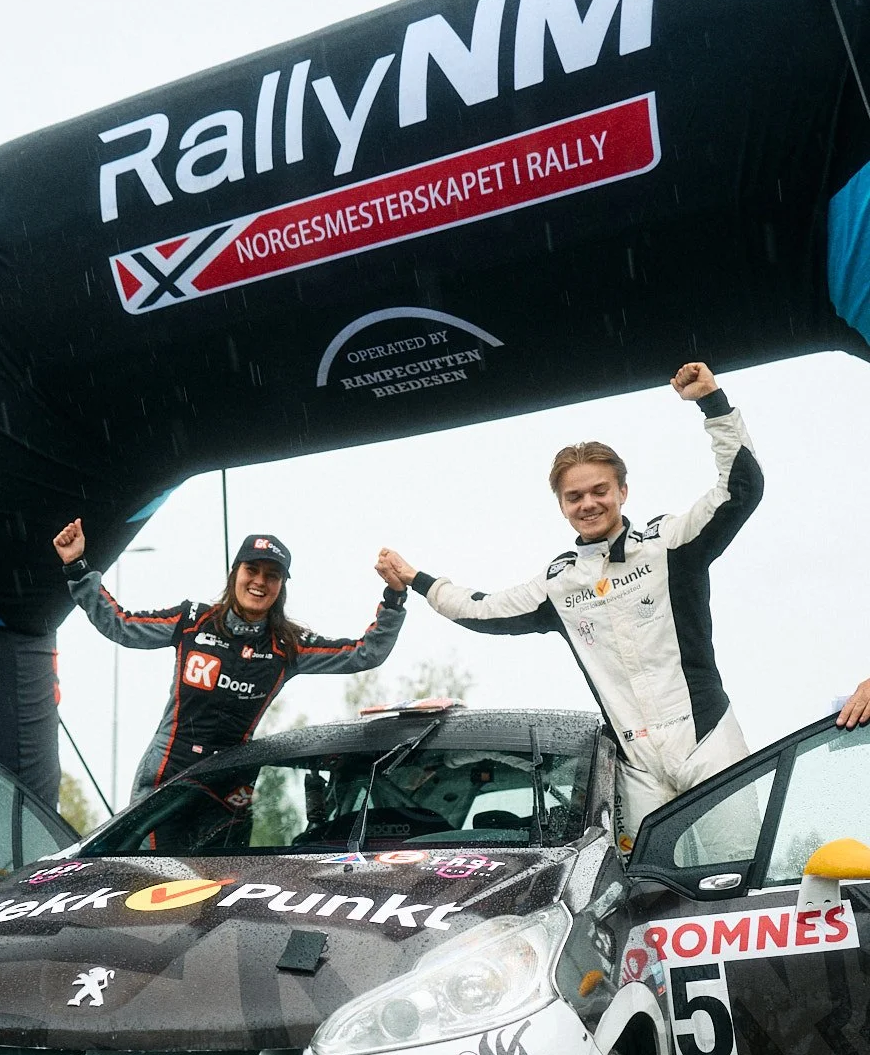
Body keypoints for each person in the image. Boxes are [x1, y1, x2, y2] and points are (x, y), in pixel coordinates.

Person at [377, 362, 764, 852]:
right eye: (574, 496)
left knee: (742, 876)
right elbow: (481, 610)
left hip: (708, 743)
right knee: (647, 894)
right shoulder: (559, 583)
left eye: (600, 490)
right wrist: (417, 579)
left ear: (623, 491)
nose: (589, 503)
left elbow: (742, 488)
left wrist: (714, 405)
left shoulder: (670, 542)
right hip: (636, 765)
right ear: (561, 506)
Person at [55, 521, 407, 799]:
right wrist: (77, 567)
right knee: (147, 882)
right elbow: (121, 626)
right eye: (252, 569)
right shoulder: (192, 620)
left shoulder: (288, 645)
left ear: (281, 586)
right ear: (235, 573)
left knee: (219, 888)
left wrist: (393, 597)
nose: (259, 582)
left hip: (230, 785)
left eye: (272, 575)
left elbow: (365, 653)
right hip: (166, 775)